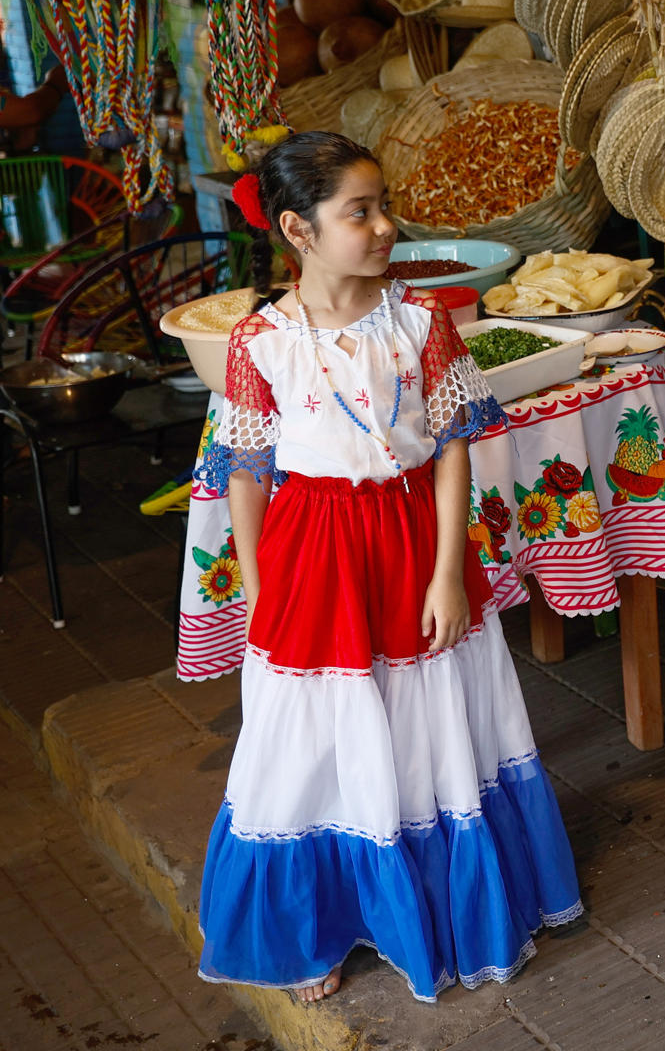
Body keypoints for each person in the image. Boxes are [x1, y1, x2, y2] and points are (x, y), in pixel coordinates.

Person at [193, 132, 581, 1003]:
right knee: (310, 740)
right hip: (311, 555)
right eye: (359, 213)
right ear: (298, 228)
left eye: (383, 207)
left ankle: (427, 901)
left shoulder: (420, 321)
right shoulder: (261, 343)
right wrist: (258, 588)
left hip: (410, 542)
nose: (385, 227)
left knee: (422, 723)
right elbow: (247, 476)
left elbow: (450, 451)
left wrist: (450, 572)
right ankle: (317, 922)